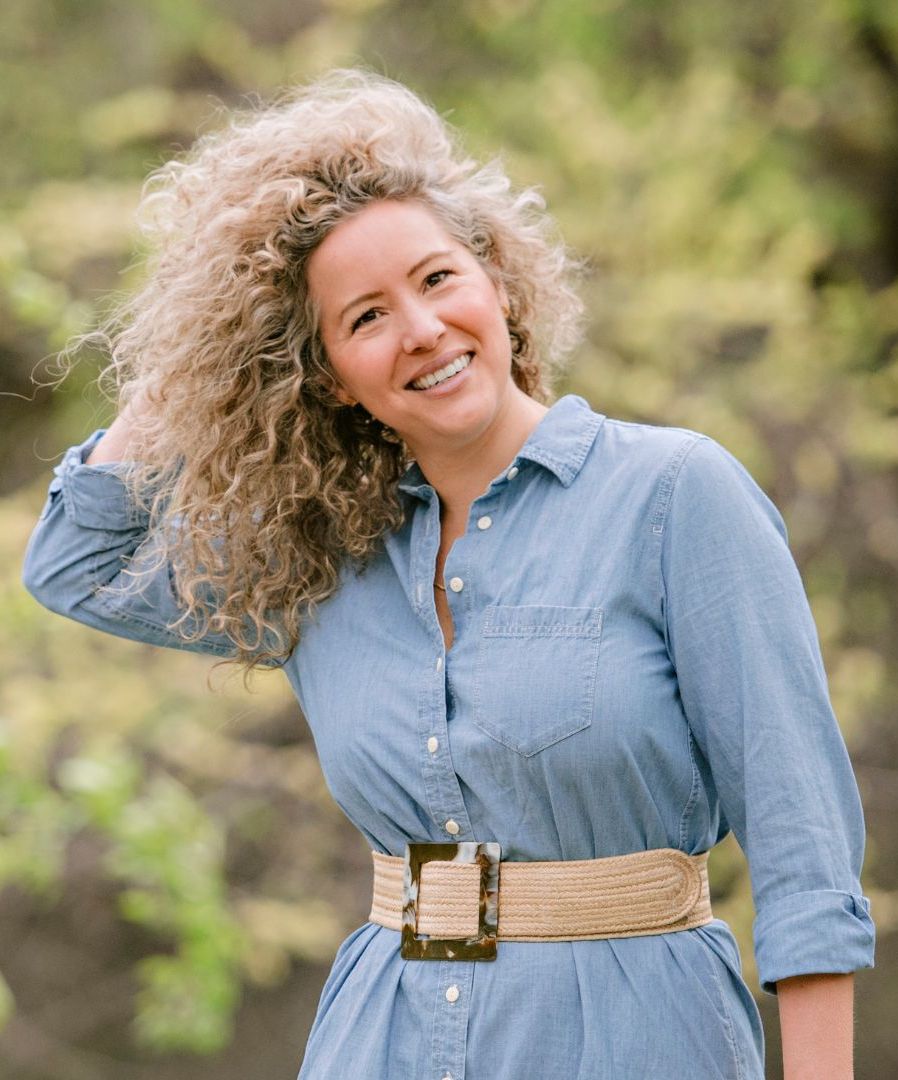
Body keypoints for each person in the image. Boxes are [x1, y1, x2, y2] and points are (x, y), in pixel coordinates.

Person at [21, 68, 874, 1079]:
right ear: (331, 377)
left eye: (436, 279)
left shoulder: (675, 496)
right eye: (364, 318)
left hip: (637, 1036)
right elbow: (77, 562)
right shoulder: (322, 557)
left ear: (499, 283)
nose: (421, 329)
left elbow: (804, 850)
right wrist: (202, 346)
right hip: (381, 1037)